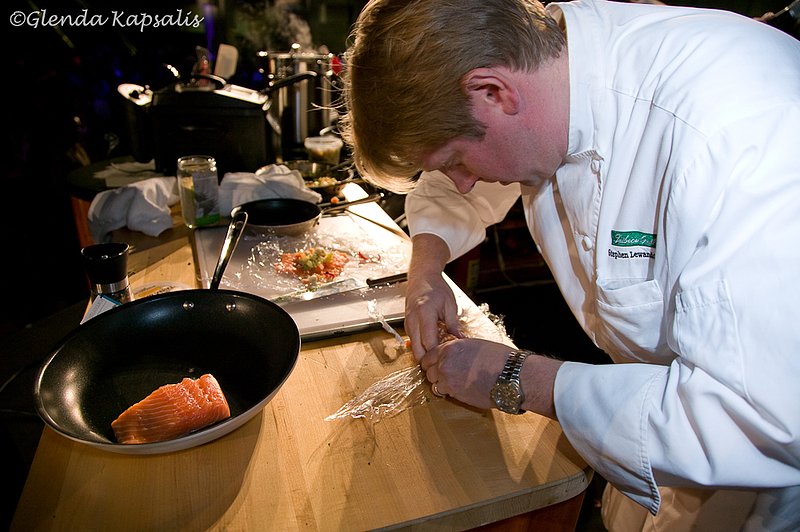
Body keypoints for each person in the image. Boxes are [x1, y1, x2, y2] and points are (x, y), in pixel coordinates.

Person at [339, 0, 800, 529]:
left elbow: (758, 417)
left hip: (758, 485)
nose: (461, 180)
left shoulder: (736, 132)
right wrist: (425, 273)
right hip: (651, 431)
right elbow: (455, 187)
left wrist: (519, 378)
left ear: (494, 92)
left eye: (455, 162)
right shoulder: (552, 67)